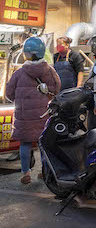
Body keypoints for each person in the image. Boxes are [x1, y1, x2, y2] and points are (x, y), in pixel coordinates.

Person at [4, 36, 59, 184]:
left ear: (26, 54)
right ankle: (44, 171)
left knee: (25, 144)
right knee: (43, 144)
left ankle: (25, 172)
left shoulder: (19, 73)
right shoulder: (50, 72)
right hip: (43, 115)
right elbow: (56, 89)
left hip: (24, 116)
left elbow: (8, 94)